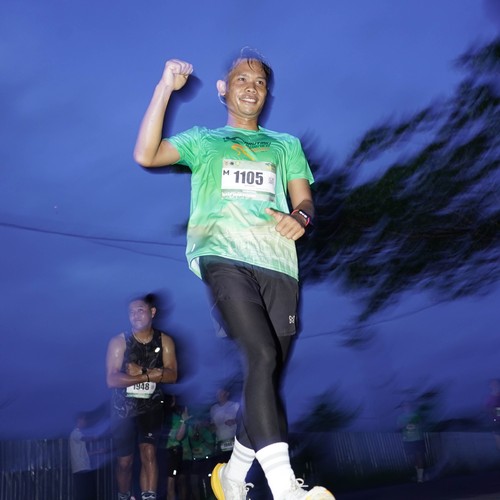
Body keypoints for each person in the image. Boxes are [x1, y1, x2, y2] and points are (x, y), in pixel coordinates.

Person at [133, 49, 334, 499]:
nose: (251, 87)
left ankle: (232, 475)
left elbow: (304, 200)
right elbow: (146, 153)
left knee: (267, 376)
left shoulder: (285, 145)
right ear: (223, 89)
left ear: (266, 93)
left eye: (260, 82)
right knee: (260, 355)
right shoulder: (204, 140)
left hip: (279, 265)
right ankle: (285, 489)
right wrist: (165, 88)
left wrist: (300, 219)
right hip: (222, 257)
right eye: (242, 79)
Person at [106, 294, 178, 500]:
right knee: (124, 462)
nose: (135, 315)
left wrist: (142, 371)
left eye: (140, 310)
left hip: (151, 406)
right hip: (123, 409)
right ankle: (124, 495)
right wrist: (148, 376)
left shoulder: (165, 341)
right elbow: (111, 380)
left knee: (149, 453)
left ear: (152, 312)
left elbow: (172, 375)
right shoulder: (119, 342)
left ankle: (148, 497)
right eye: (131, 312)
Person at [69, 412, 97, 500]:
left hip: (84, 468)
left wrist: (99, 451)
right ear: (79, 420)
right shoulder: (75, 433)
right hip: (81, 469)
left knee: (88, 493)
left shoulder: (78, 434)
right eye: (84, 420)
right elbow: (86, 439)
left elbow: (85, 453)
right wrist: (95, 436)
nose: (86, 422)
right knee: (84, 493)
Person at [397, 401, 426, 483]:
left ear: (411, 406)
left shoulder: (416, 415)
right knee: (412, 458)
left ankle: (420, 478)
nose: (406, 407)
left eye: (408, 405)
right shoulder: (400, 417)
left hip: (418, 439)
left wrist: (418, 423)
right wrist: (402, 425)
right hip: (407, 440)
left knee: (419, 456)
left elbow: (422, 425)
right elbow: (398, 428)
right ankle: (418, 473)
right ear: (402, 408)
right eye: (404, 406)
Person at [210, 388, 239, 463]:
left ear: (227, 393)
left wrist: (234, 421)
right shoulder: (214, 408)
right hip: (220, 441)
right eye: (217, 393)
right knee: (223, 464)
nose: (218, 395)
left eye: (220, 392)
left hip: (233, 440)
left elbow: (243, 420)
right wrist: (212, 427)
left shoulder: (234, 405)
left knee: (234, 463)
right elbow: (212, 424)